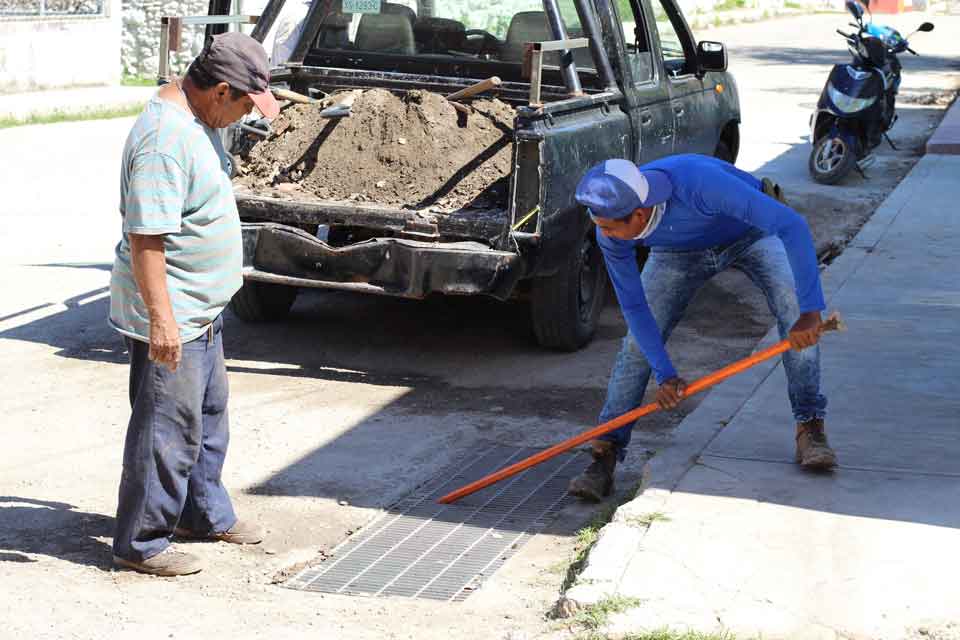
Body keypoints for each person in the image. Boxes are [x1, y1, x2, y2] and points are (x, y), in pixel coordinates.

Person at [108, 32, 280, 576]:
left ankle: (200, 514)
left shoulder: (201, 120)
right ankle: (141, 542)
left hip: (200, 309)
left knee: (206, 421)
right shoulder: (164, 140)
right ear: (219, 90)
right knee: (166, 430)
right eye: (245, 105)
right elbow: (147, 239)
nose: (245, 116)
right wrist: (163, 321)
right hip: (175, 312)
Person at [569, 155, 837, 502]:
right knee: (637, 347)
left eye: (608, 227)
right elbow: (634, 306)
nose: (603, 235)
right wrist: (664, 374)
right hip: (676, 251)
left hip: (747, 234)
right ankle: (605, 455)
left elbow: (792, 226)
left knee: (795, 308)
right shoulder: (613, 230)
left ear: (639, 214)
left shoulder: (701, 185)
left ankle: (810, 425)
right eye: (599, 225)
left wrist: (812, 310)